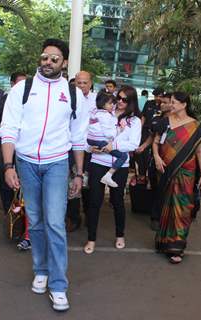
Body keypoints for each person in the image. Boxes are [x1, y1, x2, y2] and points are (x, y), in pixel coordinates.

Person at [0, 38, 88, 312]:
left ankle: (59, 285)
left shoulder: (74, 95)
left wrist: (78, 174)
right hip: (25, 163)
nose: (47, 62)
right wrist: (8, 166)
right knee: (35, 221)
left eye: (54, 59)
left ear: (64, 63)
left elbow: (79, 138)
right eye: (44, 57)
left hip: (57, 164)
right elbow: (8, 129)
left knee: (55, 224)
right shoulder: (22, 90)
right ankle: (41, 269)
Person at [83, 85, 142, 255]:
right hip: (97, 161)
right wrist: (90, 148)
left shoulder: (134, 121)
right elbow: (87, 133)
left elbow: (133, 144)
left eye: (125, 99)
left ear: (131, 102)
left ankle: (120, 235)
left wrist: (112, 145)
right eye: (119, 98)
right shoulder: (102, 112)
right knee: (94, 201)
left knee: (117, 202)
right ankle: (91, 238)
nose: (120, 102)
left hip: (119, 166)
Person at [153, 92, 201, 264]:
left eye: (175, 103)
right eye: (170, 102)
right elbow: (155, 142)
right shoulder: (165, 122)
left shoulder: (196, 127)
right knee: (165, 205)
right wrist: (156, 157)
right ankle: (163, 242)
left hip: (187, 173)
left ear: (184, 105)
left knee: (183, 208)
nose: (171, 105)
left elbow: (199, 151)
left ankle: (177, 246)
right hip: (165, 169)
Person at [0, 72, 27, 211]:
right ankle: (8, 210)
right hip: (4, 145)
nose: (23, 86)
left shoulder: (32, 99)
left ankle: (22, 211)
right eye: (19, 82)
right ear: (12, 84)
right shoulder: (4, 100)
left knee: (25, 178)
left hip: (24, 147)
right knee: (6, 178)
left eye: (25, 83)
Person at [66, 71, 97, 232]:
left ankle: (89, 216)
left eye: (85, 83)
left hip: (92, 150)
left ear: (91, 83)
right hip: (72, 148)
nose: (82, 86)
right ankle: (73, 217)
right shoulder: (68, 98)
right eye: (79, 83)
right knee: (72, 182)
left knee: (89, 184)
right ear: (74, 83)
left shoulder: (98, 100)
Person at [87, 90, 129, 187]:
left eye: (113, 103)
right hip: (99, 141)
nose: (113, 105)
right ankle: (109, 175)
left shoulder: (95, 112)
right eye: (110, 103)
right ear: (102, 103)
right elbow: (108, 134)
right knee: (123, 156)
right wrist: (119, 130)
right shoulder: (105, 115)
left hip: (91, 140)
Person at [149, 92, 172, 230]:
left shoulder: (183, 122)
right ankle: (156, 217)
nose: (161, 105)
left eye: (165, 102)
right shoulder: (159, 119)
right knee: (157, 189)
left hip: (173, 161)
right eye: (161, 102)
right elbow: (153, 138)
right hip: (157, 159)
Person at [134, 87, 164, 181]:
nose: (157, 98)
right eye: (156, 96)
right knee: (140, 151)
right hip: (145, 131)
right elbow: (143, 117)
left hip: (156, 133)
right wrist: (139, 128)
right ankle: (142, 173)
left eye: (159, 96)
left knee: (150, 154)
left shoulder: (163, 106)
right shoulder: (149, 103)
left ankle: (149, 175)